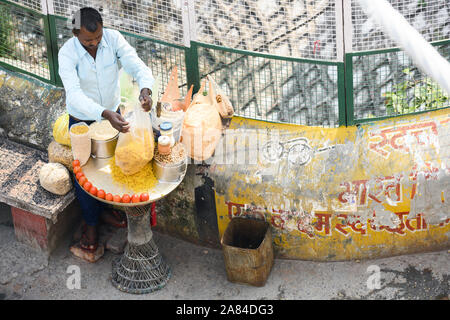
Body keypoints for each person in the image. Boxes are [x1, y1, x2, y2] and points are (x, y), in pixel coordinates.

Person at [58, 7, 154, 252]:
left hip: (112, 113)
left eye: (98, 38)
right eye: (88, 40)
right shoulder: (67, 53)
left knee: (109, 165)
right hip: (83, 120)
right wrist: (103, 113)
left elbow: (136, 65)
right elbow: (75, 95)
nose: (94, 43)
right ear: (75, 33)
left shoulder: (113, 39)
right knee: (85, 173)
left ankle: (104, 210)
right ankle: (90, 223)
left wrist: (145, 89)